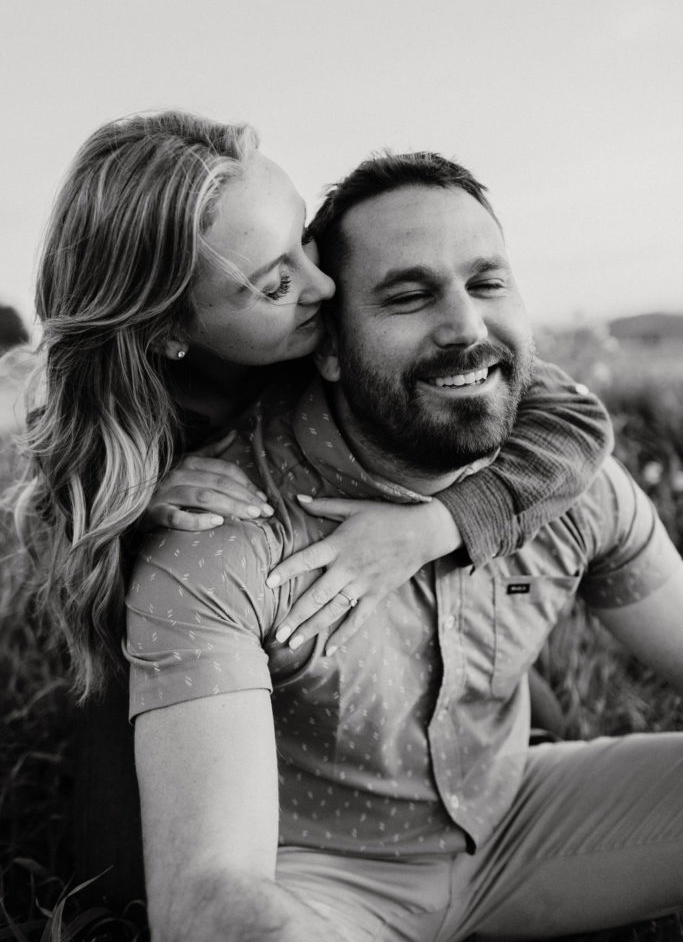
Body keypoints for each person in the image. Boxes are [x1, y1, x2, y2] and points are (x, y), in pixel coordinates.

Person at [127, 150, 683, 942]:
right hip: (319, 880)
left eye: (487, 283)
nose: (465, 326)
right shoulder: (217, 536)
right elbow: (208, 898)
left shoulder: (567, 477)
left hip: (517, 816)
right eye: (407, 296)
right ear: (324, 341)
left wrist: (444, 525)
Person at [14, 110, 611, 702]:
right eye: (274, 285)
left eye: (303, 238)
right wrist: (134, 505)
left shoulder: (340, 332)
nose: (323, 286)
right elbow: (70, 522)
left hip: (396, 620)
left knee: (509, 699)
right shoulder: (119, 422)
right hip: (194, 651)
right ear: (167, 332)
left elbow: (576, 418)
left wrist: (438, 526)